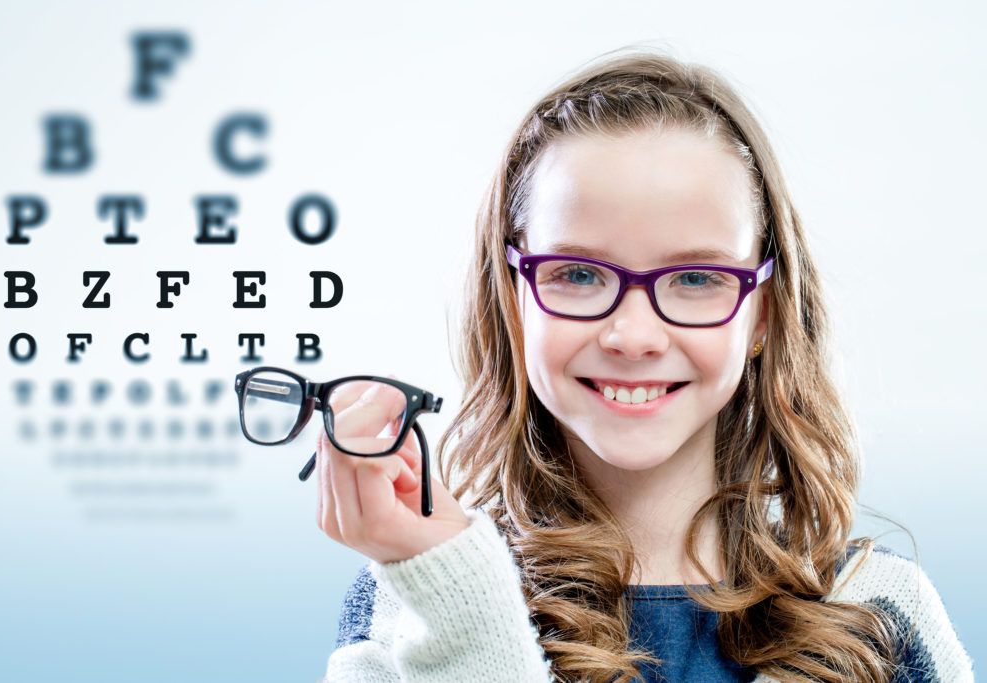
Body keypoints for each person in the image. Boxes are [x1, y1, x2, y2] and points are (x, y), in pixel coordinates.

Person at [313, 52, 974, 682]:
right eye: (575, 273)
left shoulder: (883, 612)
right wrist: (461, 605)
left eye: (694, 276)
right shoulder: (411, 601)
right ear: (514, 300)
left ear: (762, 314)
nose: (633, 334)